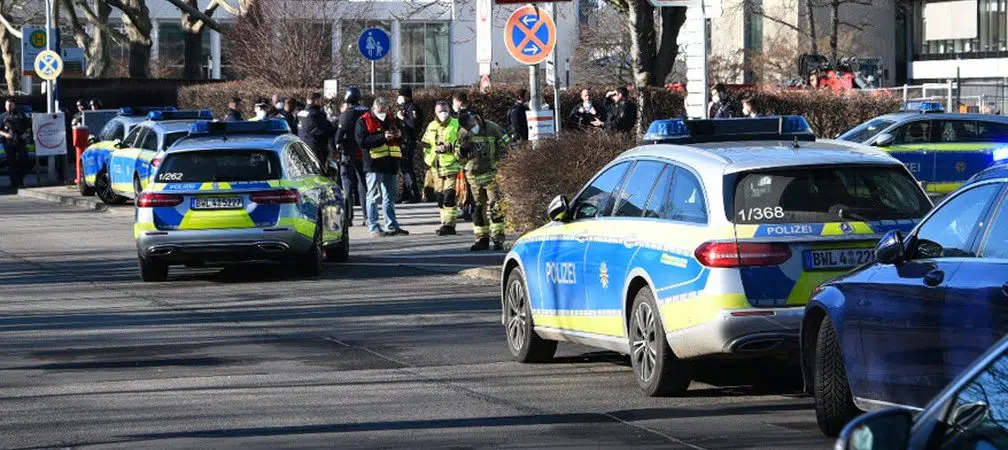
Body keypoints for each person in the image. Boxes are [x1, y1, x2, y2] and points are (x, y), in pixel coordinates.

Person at [456, 112, 511, 251]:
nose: (471, 129)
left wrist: (504, 167)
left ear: (476, 119)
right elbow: (457, 157)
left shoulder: (493, 128)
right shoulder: (463, 132)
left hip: (492, 174)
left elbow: (508, 146)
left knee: (496, 205)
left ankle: (498, 238)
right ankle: (481, 238)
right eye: (468, 128)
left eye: (471, 126)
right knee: (477, 208)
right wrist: (463, 150)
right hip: (473, 176)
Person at [356, 97, 409, 237]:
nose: (382, 113)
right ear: (374, 108)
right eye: (380, 111)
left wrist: (398, 135)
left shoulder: (391, 119)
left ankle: (391, 225)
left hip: (391, 163)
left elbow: (402, 136)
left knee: (389, 197)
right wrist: (382, 137)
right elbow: (362, 142)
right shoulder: (363, 120)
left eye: (384, 111)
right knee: (373, 196)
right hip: (374, 164)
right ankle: (374, 227)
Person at [422, 101, 463, 235]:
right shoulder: (431, 126)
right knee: (439, 197)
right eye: (440, 111)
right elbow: (425, 144)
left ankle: (450, 225)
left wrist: (449, 148)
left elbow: (463, 144)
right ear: (435, 112)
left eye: (445, 110)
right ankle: (444, 222)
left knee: (449, 196)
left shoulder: (456, 124)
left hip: (451, 165)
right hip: (436, 167)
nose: (443, 113)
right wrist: (429, 158)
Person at [335, 87, 370, 226]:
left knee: (347, 184)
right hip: (364, 152)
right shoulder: (366, 111)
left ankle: (348, 217)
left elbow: (339, 134)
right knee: (363, 184)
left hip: (348, 153)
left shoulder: (347, 113)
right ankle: (367, 216)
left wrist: (337, 144)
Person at [396, 87, 422, 203]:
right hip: (402, 141)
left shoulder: (412, 108)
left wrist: (403, 118)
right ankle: (405, 194)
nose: (398, 98)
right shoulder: (404, 108)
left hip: (408, 142)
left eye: (400, 96)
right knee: (404, 168)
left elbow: (414, 125)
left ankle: (414, 194)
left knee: (407, 168)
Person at [1, 99, 30, 191]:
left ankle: (20, 180)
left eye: (10, 105)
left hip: (21, 140)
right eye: (7, 105)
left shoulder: (21, 115)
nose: (8, 107)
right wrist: (6, 135)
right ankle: (14, 183)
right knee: (11, 163)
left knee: (24, 161)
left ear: (14, 105)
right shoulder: (2, 116)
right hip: (9, 141)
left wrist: (26, 133)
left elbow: (29, 126)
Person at [298, 92, 335, 166]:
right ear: (316, 101)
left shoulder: (301, 113)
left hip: (302, 147)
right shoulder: (316, 114)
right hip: (316, 149)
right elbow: (326, 130)